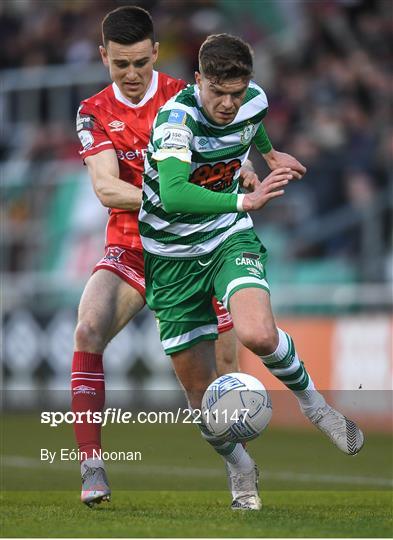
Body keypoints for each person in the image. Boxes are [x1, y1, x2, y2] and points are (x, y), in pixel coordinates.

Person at [140, 33, 365, 511]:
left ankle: (315, 406)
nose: (227, 104)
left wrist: (269, 154)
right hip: (170, 256)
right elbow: (177, 193)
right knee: (201, 399)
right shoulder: (175, 120)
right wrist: (248, 198)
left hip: (226, 237)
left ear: (249, 85)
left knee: (258, 335)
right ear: (197, 80)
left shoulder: (253, 101)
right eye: (216, 93)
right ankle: (239, 466)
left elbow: (252, 122)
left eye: (236, 93)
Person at [73, 6, 239, 508]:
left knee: (212, 389)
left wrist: (245, 171)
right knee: (87, 329)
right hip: (132, 249)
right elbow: (106, 187)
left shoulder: (186, 99)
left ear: (156, 53)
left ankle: (241, 475)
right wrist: (174, 191)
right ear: (103, 57)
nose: (130, 74)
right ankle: (92, 466)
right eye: (120, 64)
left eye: (140, 63)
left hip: (194, 253)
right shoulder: (93, 111)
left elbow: (227, 160)